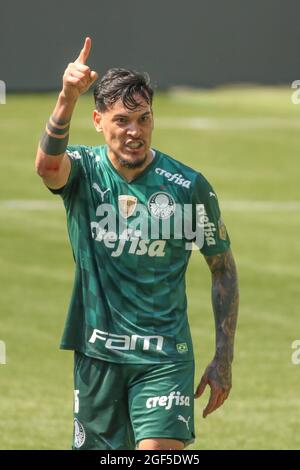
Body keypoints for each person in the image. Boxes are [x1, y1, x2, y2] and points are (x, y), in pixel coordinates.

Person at [35, 37, 239, 451]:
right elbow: (47, 166)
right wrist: (65, 97)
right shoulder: (84, 173)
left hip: (165, 355)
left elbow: (222, 267)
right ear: (97, 120)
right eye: (123, 121)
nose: (135, 132)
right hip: (98, 355)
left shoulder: (187, 186)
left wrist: (224, 357)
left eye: (144, 119)